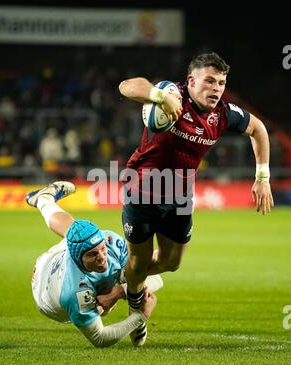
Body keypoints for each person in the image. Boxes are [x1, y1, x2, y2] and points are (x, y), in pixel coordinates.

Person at [118, 52, 274, 340]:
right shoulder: (173, 94)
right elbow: (127, 86)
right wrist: (158, 96)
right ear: (191, 81)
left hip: (179, 198)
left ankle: (121, 285)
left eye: (222, 83)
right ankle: (135, 307)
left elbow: (259, 129)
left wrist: (262, 178)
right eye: (210, 81)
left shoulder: (224, 114)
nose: (216, 88)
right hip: (140, 193)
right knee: (138, 264)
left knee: (171, 263)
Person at [26, 181, 162, 348]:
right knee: (111, 295)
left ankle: (43, 199)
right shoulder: (74, 292)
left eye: (102, 249)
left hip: (65, 260)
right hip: (46, 293)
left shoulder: (109, 240)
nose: (102, 257)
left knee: (77, 231)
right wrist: (141, 316)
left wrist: (119, 292)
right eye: (93, 255)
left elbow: (156, 278)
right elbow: (100, 338)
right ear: (78, 257)